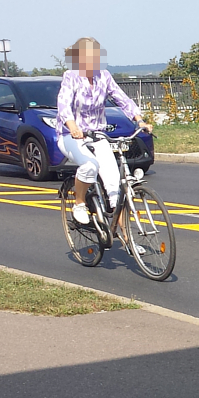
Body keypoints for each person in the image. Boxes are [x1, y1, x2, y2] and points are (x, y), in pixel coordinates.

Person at [56, 37, 152, 250]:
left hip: (97, 135)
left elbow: (122, 99)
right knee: (90, 165)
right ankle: (79, 203)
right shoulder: (71, 77)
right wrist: (72, 126)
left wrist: (140, 120)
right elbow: (63, 105)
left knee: (115, 186)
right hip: (70, 135)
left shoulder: (104, 77)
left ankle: (128, 240)